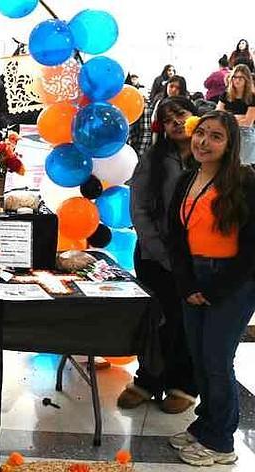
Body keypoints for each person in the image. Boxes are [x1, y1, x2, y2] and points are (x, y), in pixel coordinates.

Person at [167, 110, 255, 466]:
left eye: (216, 136)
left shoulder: (245, 182)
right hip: (194, 275)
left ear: (230, 144)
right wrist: (187, 283)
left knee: (217, 360)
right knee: (200, 357)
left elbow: (251, 249)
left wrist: (216, 289)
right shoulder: (187, 179)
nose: (204, 142)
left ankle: (221, 442)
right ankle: (206, 425)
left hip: (232, 281)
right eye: (201, 133)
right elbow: (177, 237)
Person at [119, 96, 199, 414]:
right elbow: (139, 211)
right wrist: (163, 254)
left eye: (180, 114)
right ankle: (148, 381)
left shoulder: (210, 154)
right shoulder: (154, 159)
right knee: (157, 321)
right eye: (167, 119)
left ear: (194, 115)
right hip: (155, 256)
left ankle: (184, 385)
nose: (176, 122)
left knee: (187, 323)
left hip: (198, 258)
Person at [216, 64, 255, 164]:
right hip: (227, 129)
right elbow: (218, 114)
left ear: (246, 79)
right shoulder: (226, 94)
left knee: (243, 163)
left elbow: (248, 122)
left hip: (244, 132)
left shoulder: (252, 97)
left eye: (240, 78)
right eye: (234, 77)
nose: (237, 80)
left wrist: (228, 116)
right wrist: (239, 117)